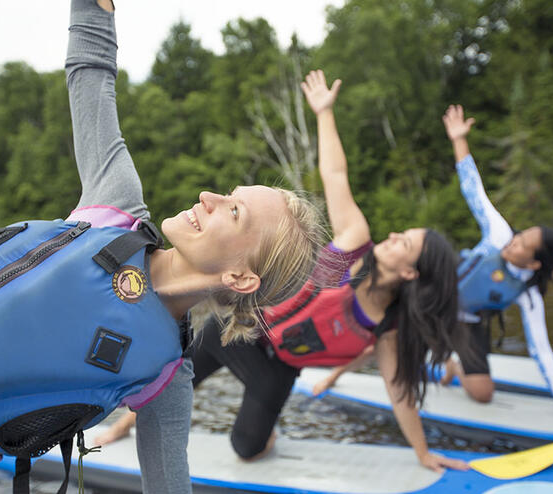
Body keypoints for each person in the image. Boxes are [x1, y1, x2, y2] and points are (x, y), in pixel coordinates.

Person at [0, 1, 324, 493]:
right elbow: (90, 77)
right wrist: (95, 8)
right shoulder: (115, 204)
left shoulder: (163, 378)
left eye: (234, 210)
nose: (209, 196)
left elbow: (169, 484)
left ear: (241, 277)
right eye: (228, 192)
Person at [188, 70, 468, 473]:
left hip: (281, 366)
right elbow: (335, 175)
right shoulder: (354, 245)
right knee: (183, 373)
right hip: (248, 328)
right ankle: (124, 424)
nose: (392, 235)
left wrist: (423, 455)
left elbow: (400, 392)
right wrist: (323, 113)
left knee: (246, 448)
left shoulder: (387, 328)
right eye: (400, 233)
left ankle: (265, 429)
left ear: (411, 274)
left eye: (404, 243)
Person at [313, 106, 553, 420]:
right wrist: (459, 139)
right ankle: (335, 375)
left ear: (534, 265)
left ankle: (451, 361)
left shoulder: (528, 294)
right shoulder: (499, 235)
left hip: (467, 324)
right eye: (520, 235)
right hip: (436, 296)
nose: (513, 241)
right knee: (385, 340)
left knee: (483, 395)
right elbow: (473, 188)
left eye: (523, 245)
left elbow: (541, 350)